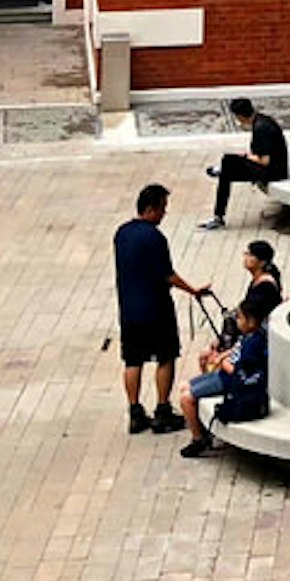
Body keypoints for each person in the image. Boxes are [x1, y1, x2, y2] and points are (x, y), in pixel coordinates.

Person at [114, 184, 203, 435]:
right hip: (156, 308)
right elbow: (167, 275)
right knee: (166, 356)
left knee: (132, 360)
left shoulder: (122, 233)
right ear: (151, 209)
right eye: (163, 209)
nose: (164, 214)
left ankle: (135, 411)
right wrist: (193, 290)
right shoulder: (154, 237)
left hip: (129, 309)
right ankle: (163, 410)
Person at [181, 309, 271, 456]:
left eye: (240, 318)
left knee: (185, 398)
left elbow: (239, 371)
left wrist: (222, 362)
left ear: (251, 322)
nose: (237, 321)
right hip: (224, 376)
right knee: (185, 386)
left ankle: (199, 439)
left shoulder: (253, 345)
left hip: (229, 382)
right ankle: (202, 430)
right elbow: (234, 352)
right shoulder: (249, 337)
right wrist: (221, 356)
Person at [206, 95, 289, 227]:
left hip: (273, 171)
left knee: (226, 172)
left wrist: (246, 156)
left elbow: (264, 161)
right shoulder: (262, 120)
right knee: (228, 160)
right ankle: (223, 171)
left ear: (239, 116)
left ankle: (218, 216)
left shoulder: (261, 129)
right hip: (274, 165)